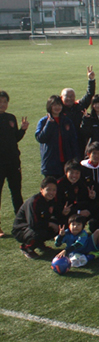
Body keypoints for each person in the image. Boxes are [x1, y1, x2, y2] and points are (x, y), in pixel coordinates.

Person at [0, 90, 29, 235]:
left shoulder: (11, 117)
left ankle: (21, 223)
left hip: (13, 162)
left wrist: (22, 130)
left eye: (4, 102)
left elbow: (14, 138)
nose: (2, 104)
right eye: (0, 102)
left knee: (16, 193)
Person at [12, 177, 60, 259]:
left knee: (59, 226)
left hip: (36, 226)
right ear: (41, 189)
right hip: (22, 229)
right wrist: (50, 224)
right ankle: (27, 247)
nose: (51, 192)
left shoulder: (52, 200)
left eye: (54, 190)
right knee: (40, 233)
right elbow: (33, 224)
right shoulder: (34, 202)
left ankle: (39, 244)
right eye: (48, 190)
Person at [35, 95, 79, 177]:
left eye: (59, 105)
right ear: (49, 106)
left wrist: (75, 158)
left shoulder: (66, 121)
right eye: (54, 105)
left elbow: (73, 140)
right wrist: (49, 124)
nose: (57, 107)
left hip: (66, 162)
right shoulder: (44, 121)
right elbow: (40, 138)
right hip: (50, 163)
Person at [61, 65, 97, 152]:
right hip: (63, 143)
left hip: (79, 142)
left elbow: (89, 95)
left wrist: (91, 80)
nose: (69, 98)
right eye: (67, 96)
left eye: (72, 96)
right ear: (61, 97)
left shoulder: (79, 106)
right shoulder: (58, 109)